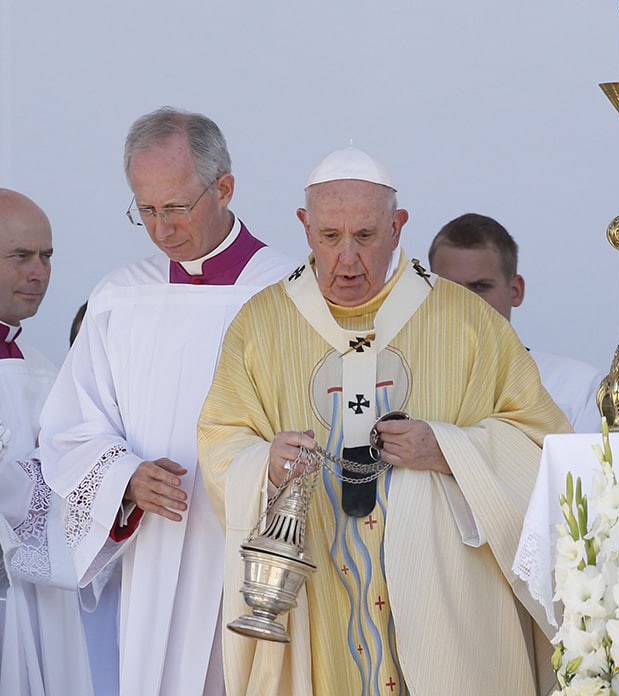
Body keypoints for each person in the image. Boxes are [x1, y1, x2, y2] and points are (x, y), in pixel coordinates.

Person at [197, 145, 571, 695]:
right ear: (305, 227)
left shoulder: (466, 322)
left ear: (397, 227)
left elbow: (543, 444)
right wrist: (266, 463)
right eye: (329, 237)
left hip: (445, 592)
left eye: (366, 237)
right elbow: (221, 442)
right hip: (315, 591)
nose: (348, 259)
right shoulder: (260, 326)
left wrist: (446, 450)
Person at [38, 107, 297, 696]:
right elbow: (70, 428)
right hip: (157, 550)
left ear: (224, 188)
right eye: (146, 210)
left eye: (176, 207)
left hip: (257, 547)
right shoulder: (120, 298)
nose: (161, 229)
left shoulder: (288, 293)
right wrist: (125, 478)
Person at [0, 189, 96, 695]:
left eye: (47, 256)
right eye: (21, 257)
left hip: (47, 603)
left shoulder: (46, 370)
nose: (39, 273)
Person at [428, 212, 604, 432]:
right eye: (450, 288)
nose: (466, 303)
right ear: (428, 293)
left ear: (515, 291)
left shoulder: (578, 387)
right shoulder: (398, 383)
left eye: (480, 287)